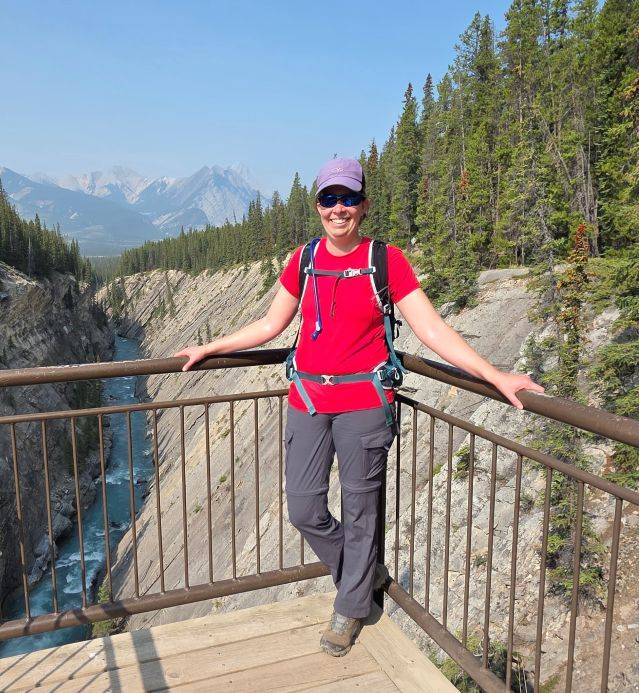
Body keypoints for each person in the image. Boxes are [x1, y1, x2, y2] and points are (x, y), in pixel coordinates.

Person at [174, 157, 543, 656]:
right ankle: (364, 572)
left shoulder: (386, 261)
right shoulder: (303, 260)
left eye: (348, 198)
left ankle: (352, 608)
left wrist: (495, 375)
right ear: (318, 206)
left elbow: (432, 331)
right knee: (304, 507)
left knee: (359, 506)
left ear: (364, 206)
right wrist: (210, 346)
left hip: (364, 404)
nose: (339, 208)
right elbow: (270, 325)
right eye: (330, 198)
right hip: (308, 397)